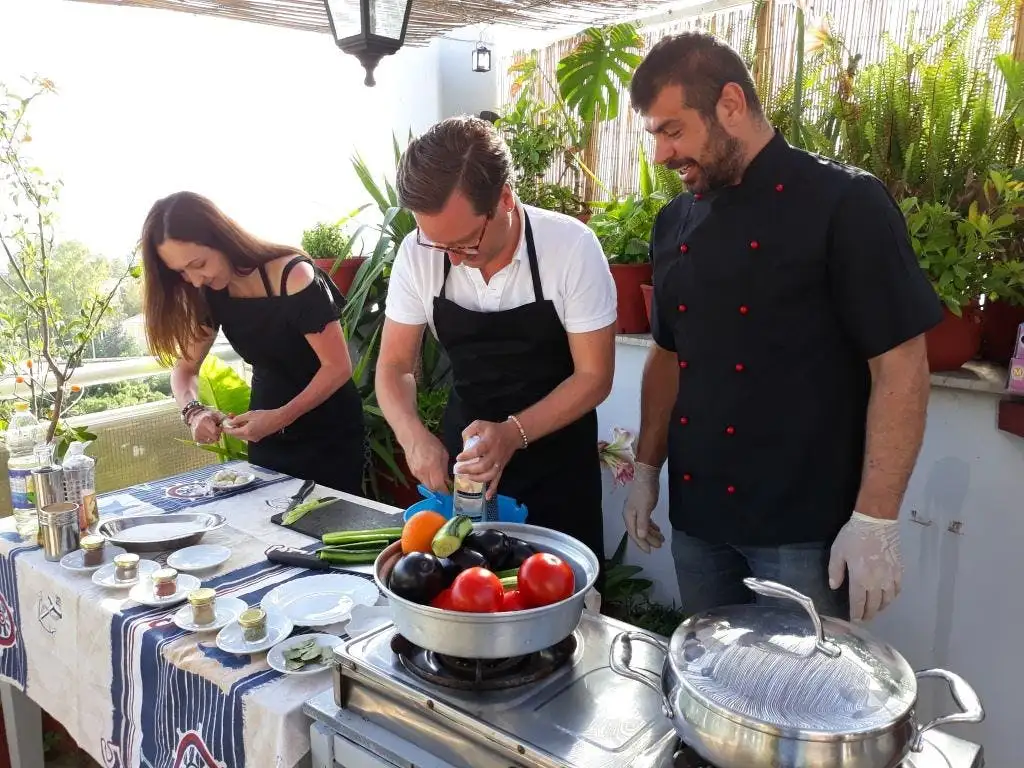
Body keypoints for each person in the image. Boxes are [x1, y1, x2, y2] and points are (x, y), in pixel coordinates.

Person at [622, 32, 942, 622]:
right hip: (698, 522)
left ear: (731, 105)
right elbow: (668, 354)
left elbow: (900, 364)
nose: (662, 155)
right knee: (714, 689)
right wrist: (647, 468)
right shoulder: (673, 222)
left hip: (803, 532)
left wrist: (875, 516)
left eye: (673, 130)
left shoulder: (845, 202)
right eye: (656, 135)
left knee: (803, 702)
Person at [375, 116, 617, 568]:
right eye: (436, 243)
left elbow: (595, 376)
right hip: (464, 466)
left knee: (559, 606)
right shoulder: (417, 253)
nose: (451, 257)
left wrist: (511, 433)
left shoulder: (570, 247)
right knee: (462, 592)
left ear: (505, 198)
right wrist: (412, 436)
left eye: (465, 241)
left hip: (557, 466)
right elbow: (394, 366)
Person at [141, 191, 365, 494]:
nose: (195, 280)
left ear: (220, 238)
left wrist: (279, 418)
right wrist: (193, 411)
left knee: (330, 531)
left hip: (330, 434)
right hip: (265, 435)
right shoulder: (209, 293)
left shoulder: (292, 275)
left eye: (199, 263)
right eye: (182, 272)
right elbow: (185, 369)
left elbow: (338, 367)